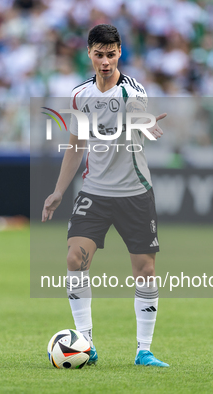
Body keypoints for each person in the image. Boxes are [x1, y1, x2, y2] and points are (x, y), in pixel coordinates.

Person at [42, 24, 169, 367]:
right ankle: (86, 343)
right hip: (95, 191)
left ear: (120, 53)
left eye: (111, 54)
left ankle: (144, 350)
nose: (105, 61)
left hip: (134, 191)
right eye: (99, 54)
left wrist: (145, 124)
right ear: (89, 54)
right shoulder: (80, 95)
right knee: (74, 259)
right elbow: (75, 146)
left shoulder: (132, 91)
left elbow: (138, 114)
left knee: (145, 270)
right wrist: (57, 191)